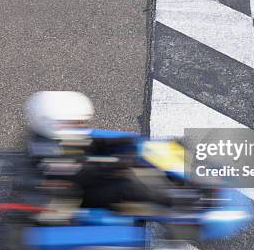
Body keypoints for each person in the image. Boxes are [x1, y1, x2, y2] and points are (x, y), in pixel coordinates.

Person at [23, 91, 174, 212]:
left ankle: (172, 161)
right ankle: (174, 201)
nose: (81, 125)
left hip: (81, 170)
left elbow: (89, 143)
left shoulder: (51, 135)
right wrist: (118, 164)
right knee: (126, 186)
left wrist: (123, 142)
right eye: (76, 123)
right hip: (79, 194)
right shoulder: (50, 156)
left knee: (133, 145)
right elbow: (85, 173)